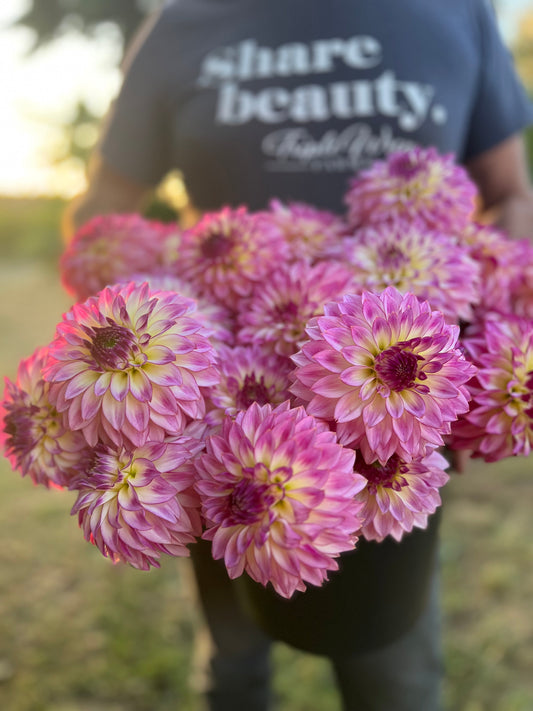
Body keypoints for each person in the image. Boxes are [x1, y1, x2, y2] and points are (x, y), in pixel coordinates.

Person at [63, 1, 533, 709]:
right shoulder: (184, 22)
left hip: (392, 441)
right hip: (209, 418)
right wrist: (132, 293)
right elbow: (100, 212)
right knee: (233, 660)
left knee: (394, 673)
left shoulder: (453, 12)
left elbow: (509, 197)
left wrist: (491, 314)